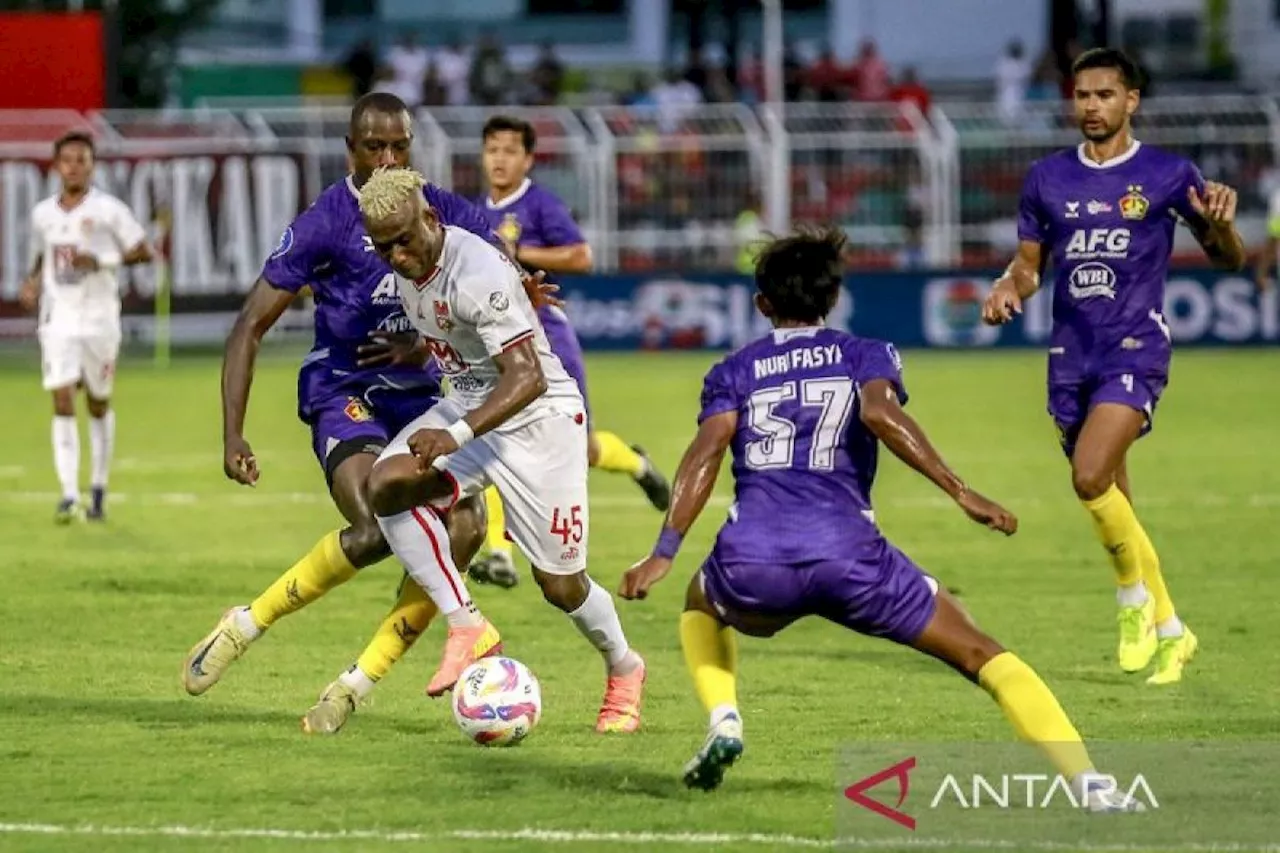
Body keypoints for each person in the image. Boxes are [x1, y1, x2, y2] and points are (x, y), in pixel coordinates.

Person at [617, 228, 1141, 813]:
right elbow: (879, 413)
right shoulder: (865, 352)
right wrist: (960, 491)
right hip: (850, 559)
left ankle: (724, 720)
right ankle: (1088, 784)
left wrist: (664, 549)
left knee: (701, 600)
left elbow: (706, 452)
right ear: (832, 299)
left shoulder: (734, 371)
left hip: (753, 561)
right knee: (980, 653)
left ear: (762, 304)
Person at [182, 93, 554, 735]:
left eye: (400, 147)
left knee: (461, 533)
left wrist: (516, 288)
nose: (388, 159)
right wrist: (232, 431)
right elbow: (250, 325)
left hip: (423, 396)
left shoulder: (440, 207)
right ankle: (246, 625)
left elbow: (497, 273)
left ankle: (353, 686)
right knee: (383, 523)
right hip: (345, 390)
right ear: (350, 150)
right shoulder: (325, 222)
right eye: (374, 147)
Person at [981, 48, 1245, 685]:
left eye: (1105, 95)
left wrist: (1219, 228)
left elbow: (1228, 259)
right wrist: (1009, 285)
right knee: (1112, 500)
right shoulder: (1047, 178)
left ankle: (1132, 601)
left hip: (1136, 347)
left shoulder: (1165, 173)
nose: (1091, 106)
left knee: (1089, 473)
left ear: (1132, 101)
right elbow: (1028, 264)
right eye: (1082, 95)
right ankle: (1173, 630)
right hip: (1071, 358)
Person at [357, 167, 647, 733]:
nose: (395, 255)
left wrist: (455, 435)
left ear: (431, 220)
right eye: (384, 246)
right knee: (386, 484)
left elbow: (529, 377)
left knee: (559, 586)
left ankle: (625, 667)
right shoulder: (414, 266)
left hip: (540, 423)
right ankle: (466, 623)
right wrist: (417, 353)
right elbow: (455, 331)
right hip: (471, 408)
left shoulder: (476, 273)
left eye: (404, 241)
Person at [467, 114, 671, 588]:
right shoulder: (474, 213)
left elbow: (581, 256)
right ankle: (500, 554)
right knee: (499, 438)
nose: (499, 159)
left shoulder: (539, 205)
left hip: (548, 342)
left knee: (582, 448)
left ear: (528, 159)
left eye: (510, 150)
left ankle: (637, 464)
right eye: (492, 149)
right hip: (496, 345)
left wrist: (523, 253)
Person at [20, 131, 152, 523]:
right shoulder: (43, 214)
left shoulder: (109, 210)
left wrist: (102, 260)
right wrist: (31, 281)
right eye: (68, 160)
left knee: (97, 402)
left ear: (92, 164)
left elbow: (143, 250)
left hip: (99, 321)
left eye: (82, 159)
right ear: (57, 165)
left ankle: (98, 487)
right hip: (58, 320)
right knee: (61, 398)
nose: (74, 166)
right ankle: (67, 494)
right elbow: (41, 255)